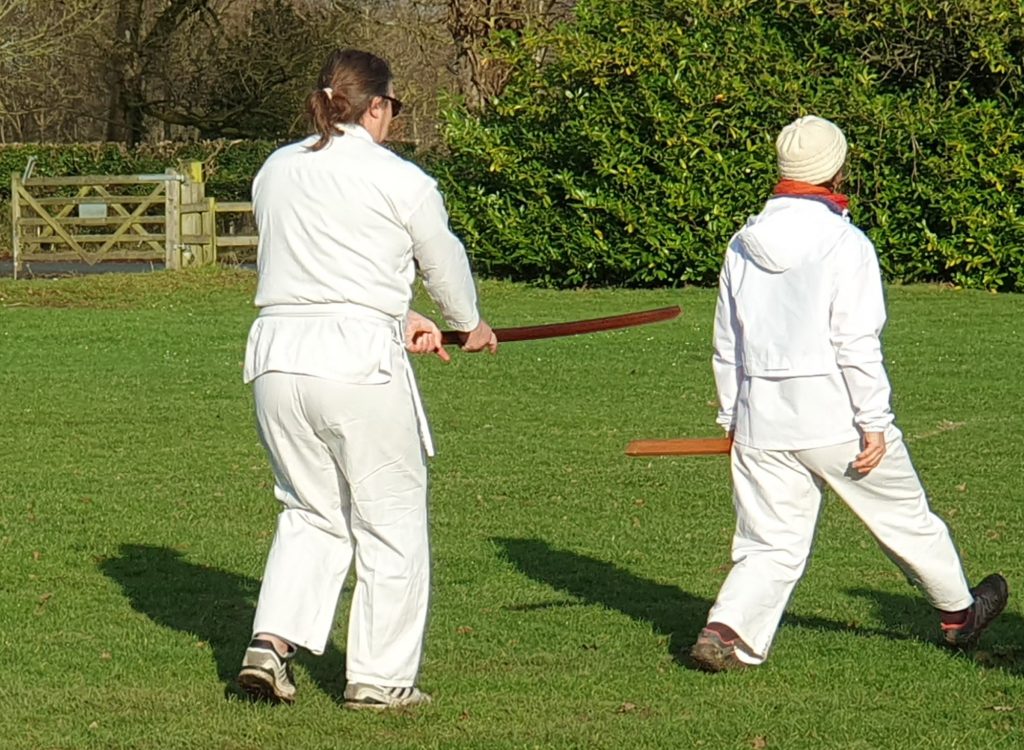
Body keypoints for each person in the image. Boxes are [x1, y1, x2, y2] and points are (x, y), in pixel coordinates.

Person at [692, 115, 1008, 672]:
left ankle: (728, 632)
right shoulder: (845, 243)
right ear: (835, 170)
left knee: (769, 541)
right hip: (835, 417)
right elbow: (855, 342)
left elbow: (728, 340)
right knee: (904, 517)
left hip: (762, 415)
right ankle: (959, 614)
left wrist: (731, 416)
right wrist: (874, 421)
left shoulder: (743, 243)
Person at [235, 48, 498, 708]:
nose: (392, 120)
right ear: (374, 105)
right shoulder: (399, 179)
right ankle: (380, 679)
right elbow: (443, 259)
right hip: (354, 362)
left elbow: (310, 265)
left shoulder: (277, 169)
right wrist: (467, 323)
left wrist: (399, 313)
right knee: (391, 521)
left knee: (310, 510)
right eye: (392, 108)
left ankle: (271, 645)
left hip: (276, 356)